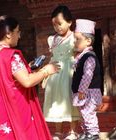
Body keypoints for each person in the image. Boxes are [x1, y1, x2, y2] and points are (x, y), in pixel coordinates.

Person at [0, 15, 60, 140]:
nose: (19, 35)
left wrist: (28, 68)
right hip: (14, 108)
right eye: (17, 31)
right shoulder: (11, 56)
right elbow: (26, 81)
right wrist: (46, 71)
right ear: (8, 34)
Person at [42, 5, 80, 140]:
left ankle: (72, 131)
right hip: (55, 73)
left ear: (69, 22)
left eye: (60, 23)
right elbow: (53, 56)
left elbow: (77, 55)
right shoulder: (52, 39)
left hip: (69, 73)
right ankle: (58, 131)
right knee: (56, 99)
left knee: (69, 98)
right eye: (54, 25)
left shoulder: (75, 37)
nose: (57, 27)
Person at [72, 19, 102, 140]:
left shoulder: (89, 57)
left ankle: (93, 134)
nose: (74, 42)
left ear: (88, 41)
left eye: (78, 39)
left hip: (88, 92)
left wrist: (82, 90)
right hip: (83, 93)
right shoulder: (81, 56)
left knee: (88, 113)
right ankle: (87, 132)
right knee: (83, 113)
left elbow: (87, 75)